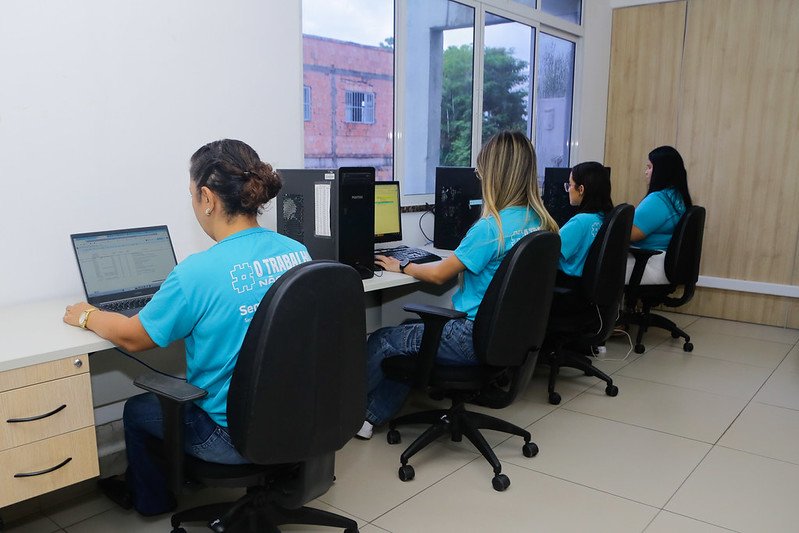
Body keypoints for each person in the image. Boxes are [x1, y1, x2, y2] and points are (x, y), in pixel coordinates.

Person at [63, 139, 311, 516]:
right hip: (297, 421)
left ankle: (153, 501)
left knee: (137, 410)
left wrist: (87, 315)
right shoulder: (296, 252)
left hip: (230, 437)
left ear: (207, 198)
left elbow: (133, 337)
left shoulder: (197, 272)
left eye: (192, 194)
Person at [359, 131, 559, 439]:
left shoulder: (491, 228)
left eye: (481, 171)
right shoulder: (540, 222)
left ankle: (343, 415)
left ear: (495, 175)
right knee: (409, 331)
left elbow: (440, 275)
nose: (479, 177)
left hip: (470, 337)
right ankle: (370, 418)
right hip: (509, 337)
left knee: (383, 339)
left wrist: (403, 265)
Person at [626, 145, 692, 285]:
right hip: (664, 265)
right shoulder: (677, 198)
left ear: (662, 171)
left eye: (650, 167)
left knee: (595, 268)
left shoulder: (659, 199)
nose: (646, 172)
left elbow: (631, 234)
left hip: (647, 264)